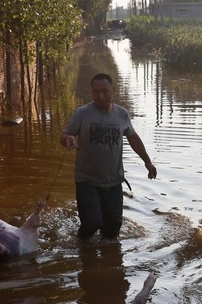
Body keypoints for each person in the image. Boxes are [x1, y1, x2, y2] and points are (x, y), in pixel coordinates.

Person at [60, 72, 156, 241]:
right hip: (87, 180)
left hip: (114, 180)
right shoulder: (82, 113)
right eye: (96, 91)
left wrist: (147, 162)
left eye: (105, 90)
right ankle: (81, 251)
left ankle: (109, 262)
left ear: (113, 89)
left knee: (112, 229)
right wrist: (67, 139)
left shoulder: (122, 114)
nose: (101, 95)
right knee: (92, 223)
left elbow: (133, 138)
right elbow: (66, 134)